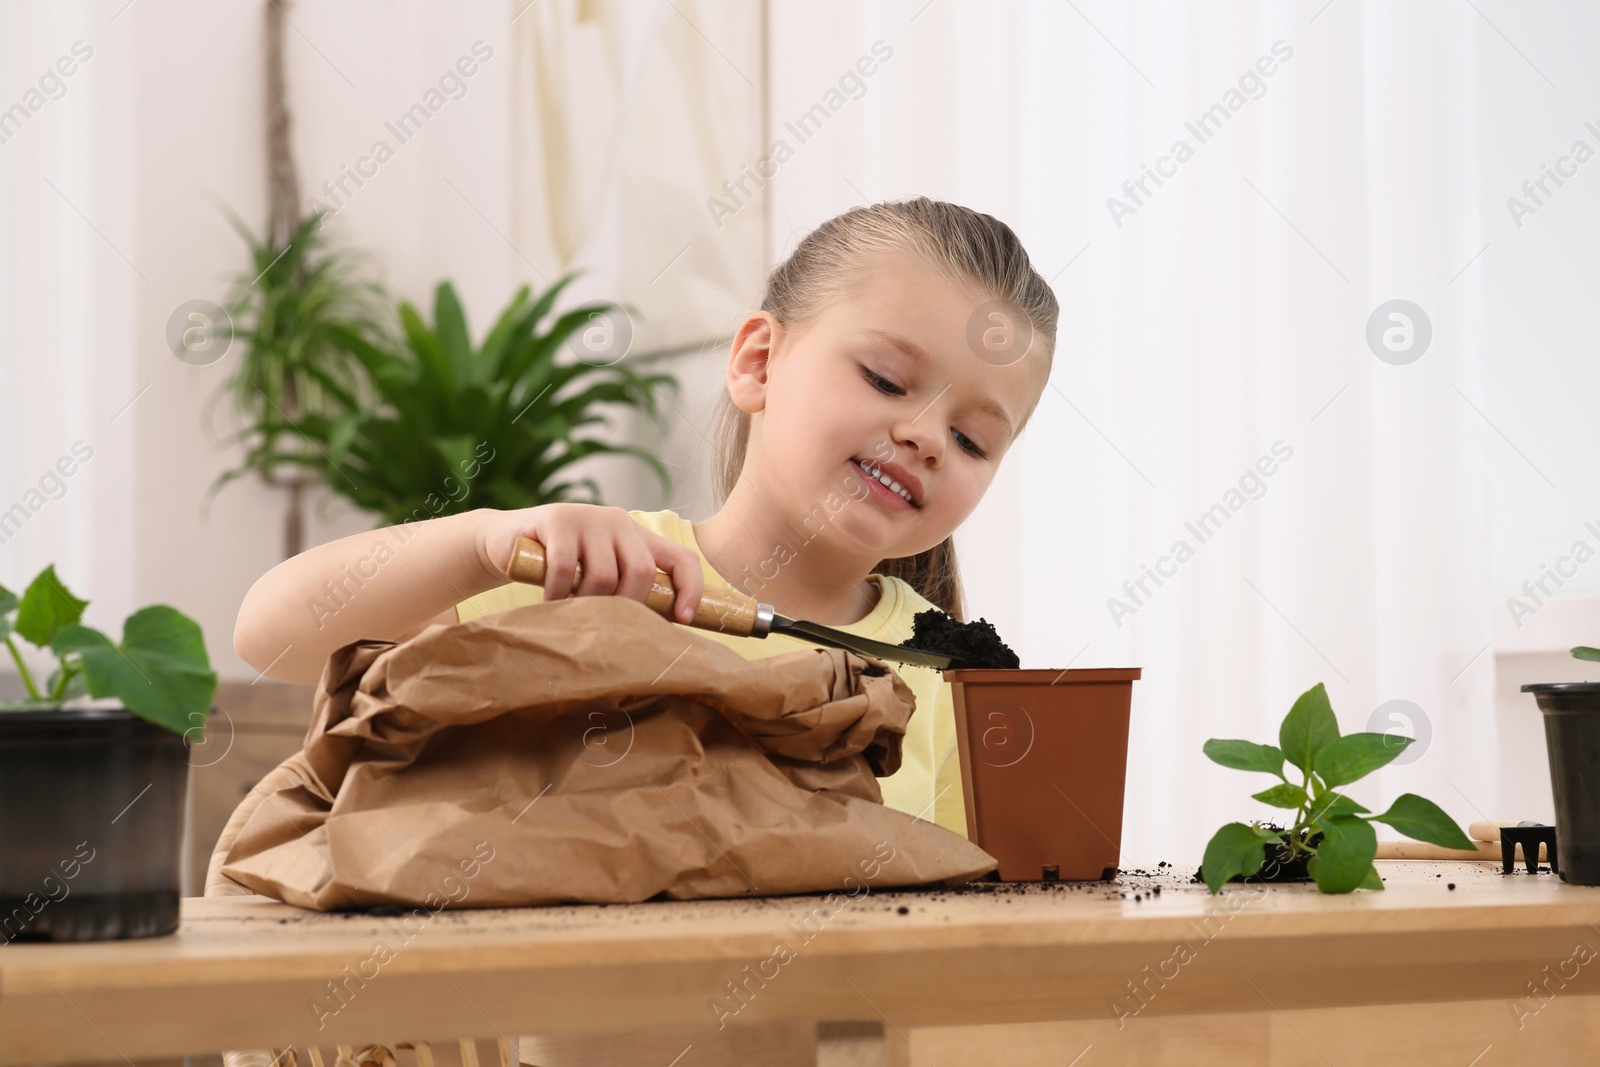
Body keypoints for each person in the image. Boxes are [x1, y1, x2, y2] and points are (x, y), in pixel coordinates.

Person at [234, 197, 1058, 837]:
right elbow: (273, 635)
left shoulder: (952, 677)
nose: (923, 437)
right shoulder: (597, 575)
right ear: (759, 362)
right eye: (886, 379)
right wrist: (488, 541)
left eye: (972, 438)